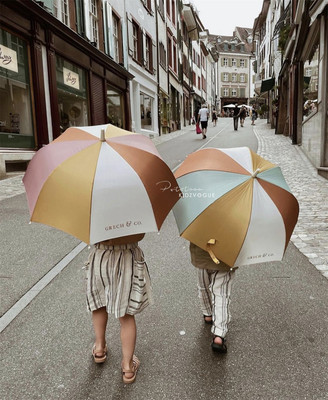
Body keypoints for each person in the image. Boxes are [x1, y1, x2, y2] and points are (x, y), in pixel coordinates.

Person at [85, 233, 152, 384]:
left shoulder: (95, 211)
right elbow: (140, 235)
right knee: (126, 315)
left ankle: (100, 348)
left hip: (100, 257)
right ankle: (128, 367)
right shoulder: (136, 209)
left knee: (99, 305)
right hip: (127, 258)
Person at [189, 243, 236, 353]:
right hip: (225, 257)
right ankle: (219, 334)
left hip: (201, 255)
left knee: (203, 287)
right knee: (221, 294)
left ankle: (208, 314)